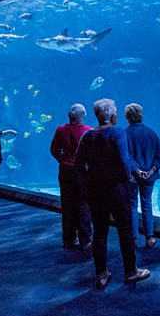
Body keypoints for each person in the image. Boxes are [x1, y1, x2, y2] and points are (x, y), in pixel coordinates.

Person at [75, 98, 151, 288]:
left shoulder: (87, 135)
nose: (117, 112)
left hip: (95, 190)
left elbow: (78, 164)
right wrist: (129, 177)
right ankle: (131, 272)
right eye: (115, 110)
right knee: (125, 231)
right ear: (110, 114)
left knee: (100, 232)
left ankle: (101, 274)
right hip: (117, 189)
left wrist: (86, 183)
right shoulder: (117, 132)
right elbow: (125, 160)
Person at [50, 103, 93, 250]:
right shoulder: (88, 131)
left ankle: (68, 239)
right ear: (82, 116)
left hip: (65, 171)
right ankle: (85, 240)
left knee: (67, 204)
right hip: (81, 172)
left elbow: (53, 149)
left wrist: (62, 160)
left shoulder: (61, 129)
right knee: (83, 204)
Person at [124, 103, 160, 248]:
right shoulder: (151, 132)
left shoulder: (125, 134)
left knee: (132, 206)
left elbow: (126, 156)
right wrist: (152, 170)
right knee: (147, 205)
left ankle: (133, 238)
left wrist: (137, 170)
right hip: (150, 176)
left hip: (133, 177)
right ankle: (149, 238)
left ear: (127, 117)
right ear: (141, 115)